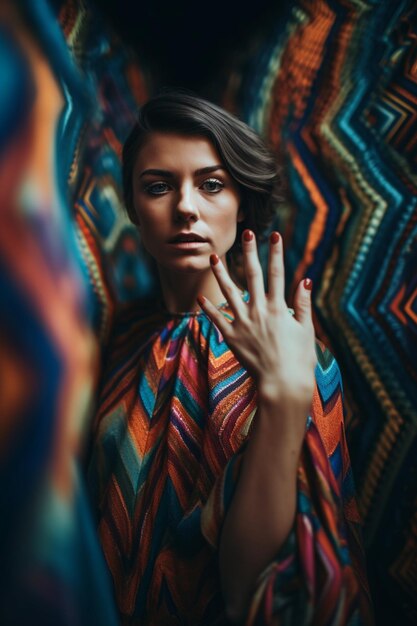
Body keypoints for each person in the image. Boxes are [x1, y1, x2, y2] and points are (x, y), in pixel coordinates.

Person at [87, 92, 373, 625]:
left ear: (241, 201)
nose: (186, 207)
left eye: (211, 184)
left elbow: (254, 594)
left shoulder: (293, 347)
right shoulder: (122, 341)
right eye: (158, 186)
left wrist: (285, 397)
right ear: (132, 207)